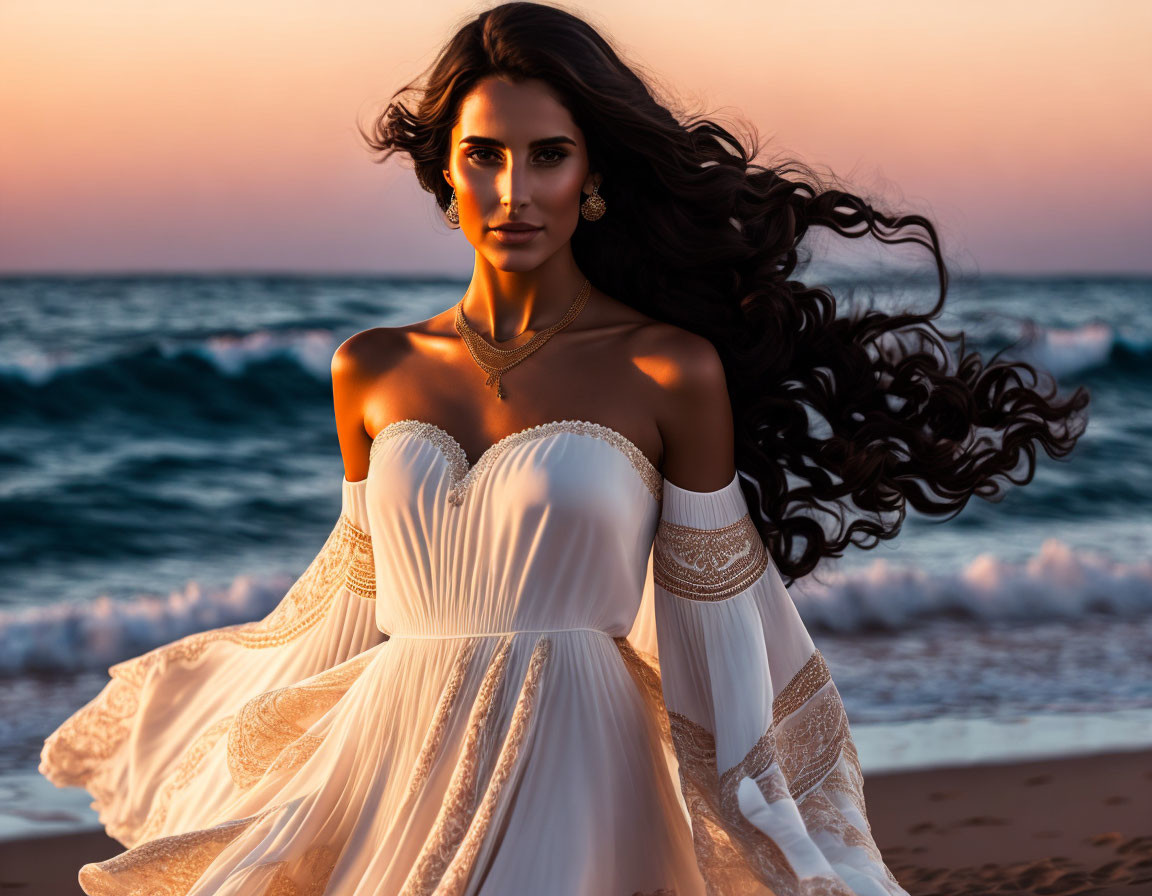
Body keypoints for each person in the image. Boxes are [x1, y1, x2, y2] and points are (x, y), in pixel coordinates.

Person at [41, 2, 1089, 893]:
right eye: (484, 156)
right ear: (443, 174)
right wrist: (226, 733)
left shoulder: (665, 367)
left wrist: (779, 816)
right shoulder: (371, 367)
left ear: (591, 174)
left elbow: (716, 616)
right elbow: (351, 599)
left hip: (588, 761)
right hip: (397, 757)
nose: (513, 191)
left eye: (548, 155)